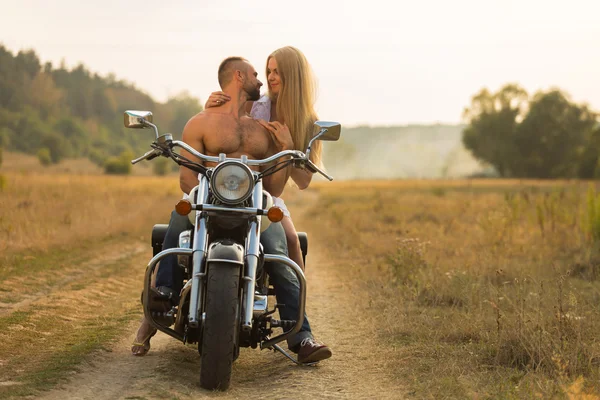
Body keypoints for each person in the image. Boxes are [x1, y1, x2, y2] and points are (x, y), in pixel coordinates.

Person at [131, 56, 332, 364]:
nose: (264, 79)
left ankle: (301, 334)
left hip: (256, 204)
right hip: (209, 197)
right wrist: (209, 106)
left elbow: (276, 189)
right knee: (178, 218)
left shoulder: (265, 127)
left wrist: (282, 149)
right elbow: (187, 178)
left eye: (273, 72)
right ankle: (163, 295)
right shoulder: (206, 120)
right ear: (240, 77)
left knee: (280, 250)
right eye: (259, 73)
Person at [205, 46, 323, 272]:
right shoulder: (254, 104)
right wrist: (209, 111)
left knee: (291, 239)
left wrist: (287, 149)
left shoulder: (310, 123)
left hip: (267, 194)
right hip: (233, 184)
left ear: (294, 75)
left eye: (277, 71)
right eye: (269, 71)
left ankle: (297, 305)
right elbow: (225, 131)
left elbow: (304, 181)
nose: (270, 77)